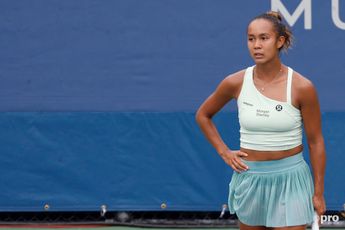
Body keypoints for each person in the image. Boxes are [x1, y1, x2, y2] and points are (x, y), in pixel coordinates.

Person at [195, 11, 326, 229]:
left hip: (291, 181)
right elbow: (203, 115)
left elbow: (316, 142)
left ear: (280, 41)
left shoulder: (302, 87)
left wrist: (319, 192)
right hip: (250, 179)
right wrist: (224, 152)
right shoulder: (234, 82)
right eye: (251, 39)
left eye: (264, 38)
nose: (256, 45)